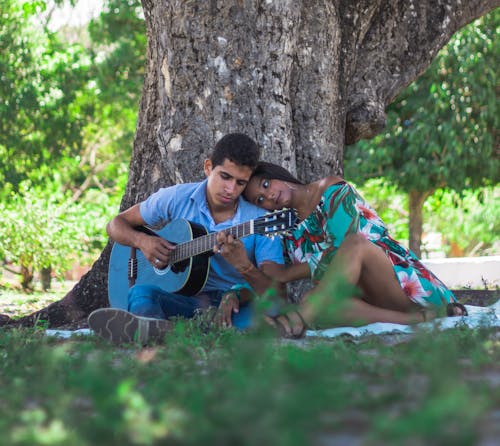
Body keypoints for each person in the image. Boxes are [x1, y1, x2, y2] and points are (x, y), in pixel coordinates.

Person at [88, 134, 284, 344]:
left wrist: (244, 266)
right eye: (225, 177)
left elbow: (276, 293)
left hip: (231, 305)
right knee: (141, 293)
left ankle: (164, 330)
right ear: (208, 167)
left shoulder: (261, 221)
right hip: (181, 300)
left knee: (268, 318)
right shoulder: (177, 198)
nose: (231, 189)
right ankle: (158, 327)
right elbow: (115, 224)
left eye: (240, 183)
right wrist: (143, 242)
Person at [244, 162, 467, 338]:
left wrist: (286, 274)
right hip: (366, 302)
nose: (269, 196)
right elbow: (276, 273)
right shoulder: (289, 232)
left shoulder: (330, 188)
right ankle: (418, 321)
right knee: (313, 298)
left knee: (353, 244)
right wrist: (240, 270)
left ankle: (298, 319)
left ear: (277, 174)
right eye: (260, 200)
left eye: (266, 185)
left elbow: (342, 248)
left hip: (400, 284)